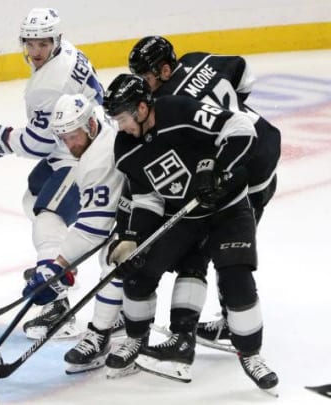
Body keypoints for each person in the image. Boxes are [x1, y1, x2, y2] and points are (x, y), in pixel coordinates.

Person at [101, 74, 278, 394]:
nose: (121, 126)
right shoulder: (126, 148)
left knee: (236, 277)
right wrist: (133, 239)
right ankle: (136, 340)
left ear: (142, 108)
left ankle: (251, 354)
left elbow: (239, 126)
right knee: (138, 272)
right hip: (183, 217)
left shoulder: (179, 111)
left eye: (123, 118)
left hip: (229, 210)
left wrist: (218, 169)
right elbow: (147, 198)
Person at [128, 35, 281, 350]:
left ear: (166, 70)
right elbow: (243, 71)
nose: (142, 84)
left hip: (245, 165)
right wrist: (232, 108)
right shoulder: (198, 58)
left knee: (228, 244)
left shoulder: (168, 101)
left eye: (145, 77)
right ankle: (231, 316)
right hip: (262, 139)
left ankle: (235, 321)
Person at [0, 7, 105, 340]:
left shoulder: (47, 84)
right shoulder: (69, 51)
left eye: (42, 44)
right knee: (34, 196)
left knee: (48, 218)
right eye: (29, 44)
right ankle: (60, 262)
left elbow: (37, 144)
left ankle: (57, 300)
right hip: (77, 143)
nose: (35, 52)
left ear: (55, 41)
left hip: (83, 156)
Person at [22, 93, 127, 374]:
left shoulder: (98, 160)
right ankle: (123, 315)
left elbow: (93, 231)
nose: (69, 145)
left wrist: (55, 267)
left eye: (74, 136)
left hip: (157, 210)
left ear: (91, 125)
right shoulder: (99, 135)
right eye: (63, 137)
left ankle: (101, 334)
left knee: (115, 259)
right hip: (132, 205)